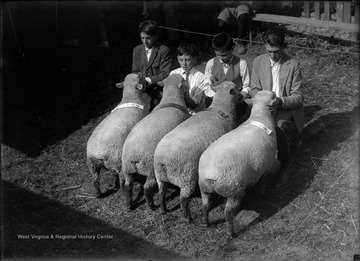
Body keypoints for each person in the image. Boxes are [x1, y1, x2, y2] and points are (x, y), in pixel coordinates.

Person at [249, 27, 304, 189]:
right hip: (264, 108)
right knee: (251, 130)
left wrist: (280, 101)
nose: (272, 56)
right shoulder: (259, 61)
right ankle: (258, 168)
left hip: (284, 110)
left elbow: (298, 98)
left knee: (279, 128)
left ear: (283, 47)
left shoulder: (293, 65)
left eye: (276, 51)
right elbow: (254, 89)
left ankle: (286, 165)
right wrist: (264, 101)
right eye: (269, 51)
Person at [203, 32, 251, 121]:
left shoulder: (242, 64)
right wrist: (218, 98)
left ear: (232, 49)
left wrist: (238, 97)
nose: (221, 58)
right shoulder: (211, 63)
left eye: (224, 55)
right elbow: (206, 86)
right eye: (218, 55)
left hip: (236, 102)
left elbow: (247, 86)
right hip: (215, 101)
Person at [131, 20, 172, 111]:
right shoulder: (137, 50)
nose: (145, 41)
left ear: (156, 36)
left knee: (150, 108)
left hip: (158, 89)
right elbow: (135, 70)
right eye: (142, 38)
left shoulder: (163, 50)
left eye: (148, 38)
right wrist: (139, 79)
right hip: (141, 89)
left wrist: (148, 80)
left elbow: (165, 74)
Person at [169, 43, 213, 115]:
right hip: (178, 112)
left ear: (194, 59)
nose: (184, 64)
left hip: (195, 114)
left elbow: (194, 104)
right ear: (177, 58)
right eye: (181, 60)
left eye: (187, 60)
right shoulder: (173, 74)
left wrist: (181, 92)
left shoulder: (200, 77)